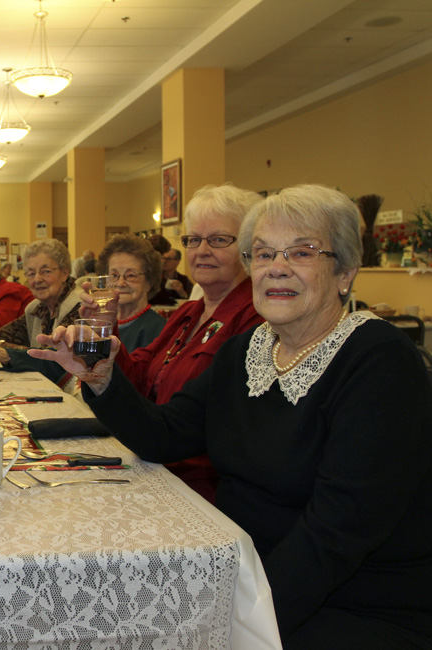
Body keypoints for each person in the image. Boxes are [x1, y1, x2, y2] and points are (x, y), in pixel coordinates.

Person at [31, 184, 432, 649]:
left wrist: (234, 619)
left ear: (344, 272)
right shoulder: (247, 350)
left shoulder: (379, 361)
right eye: (262, 254)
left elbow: (336, 535)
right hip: (245, 568)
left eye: (301, 252)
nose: (277, 267)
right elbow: (167, 435)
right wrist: (101, 377)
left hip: (355, 602)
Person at [105, 184, 264, 501]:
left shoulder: (255, 318)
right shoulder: (188, 312)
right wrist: (105, 339)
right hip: (154, 466)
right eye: (193, 240)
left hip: (202, 489)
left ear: (248, 247)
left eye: (218, 240)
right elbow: (139, 378)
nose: (201, 250)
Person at [0, 239, 84, 384]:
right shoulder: (36, 308)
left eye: (46, 271)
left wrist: (4, 351)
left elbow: (55, 362)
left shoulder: (80, 307)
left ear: (65, 272)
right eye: (31, 273)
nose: (37, 279)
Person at [96, 234, 165, 351]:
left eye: (131, 275)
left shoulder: (158, 330)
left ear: (149, 281)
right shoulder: (101, 324)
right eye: (114, 275)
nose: (121, 283)